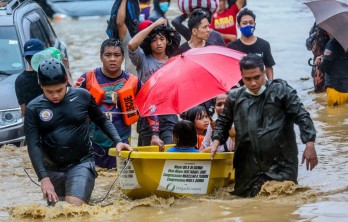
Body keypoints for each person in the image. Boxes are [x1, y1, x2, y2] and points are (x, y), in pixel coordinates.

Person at [24, 58, 132, 206]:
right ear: (40, 85)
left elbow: (101, 120)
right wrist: (43, 178)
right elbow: (33, 145)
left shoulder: (82, 96)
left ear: (67, 80)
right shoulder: (33, 108)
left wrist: (118, 141)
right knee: (57, 212)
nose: (55, 95)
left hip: (81, 163)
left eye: (59, 90)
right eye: (49, 92)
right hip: (52, 168)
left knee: (73, 208)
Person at [210, 54, 318, 198]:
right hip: (247, 163)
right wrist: (216, 142)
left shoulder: (281, 91)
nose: (253, 83)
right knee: (248, 206)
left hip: (281, 161)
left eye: (257, 77)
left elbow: (301, 115)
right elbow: (223, 121)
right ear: (241, 76)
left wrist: (309, 143)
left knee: (284, 202)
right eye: (248, 79)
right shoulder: (234, 98)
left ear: (264, 73)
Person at [75, 38, 158, 169]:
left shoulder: (133, 82)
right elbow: (72, 107)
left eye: (117, 55)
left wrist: (155, 134)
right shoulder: (86, 79)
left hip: (122, 142)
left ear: (123, 57)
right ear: (101, 57)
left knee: (119, 177)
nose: (112, 59)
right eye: (108, 55)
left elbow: (150, 106)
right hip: (92, 144)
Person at [128, 18, 181, 147]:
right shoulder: (142, 59)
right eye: (154, 40)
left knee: (169, 150)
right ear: (148, 43)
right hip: (147, 113)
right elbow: (131, 44)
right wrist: (154, 25)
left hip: (169, 113)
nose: (158, 43)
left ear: (168, 41)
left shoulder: (174, 61)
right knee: (148, 152)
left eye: (162, 39)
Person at [226, 8, 275, 84]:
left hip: (260, 86)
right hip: (239, 88)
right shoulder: (231, 47)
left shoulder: (264, 44)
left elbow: (268, 67)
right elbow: (227, 69)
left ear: (254, 25)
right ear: (239, 26)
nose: (248, 25)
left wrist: (271, 84)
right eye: (245, 23)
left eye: (251, 23)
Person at [15, 39, 44, 116]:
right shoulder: (50, 72)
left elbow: (23, 110)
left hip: (34, 120)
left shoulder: (20, 79)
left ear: (25, 58)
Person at [315, 38, 348, 107]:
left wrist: (319, 62)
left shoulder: (332, 43)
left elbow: (325, 66)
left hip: (336, 89)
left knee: (334, 116)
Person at [306, 23, 330, 93]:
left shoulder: (318, 24)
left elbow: (309, 45)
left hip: (320, 66)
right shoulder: (340, 26)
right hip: (332, 68)